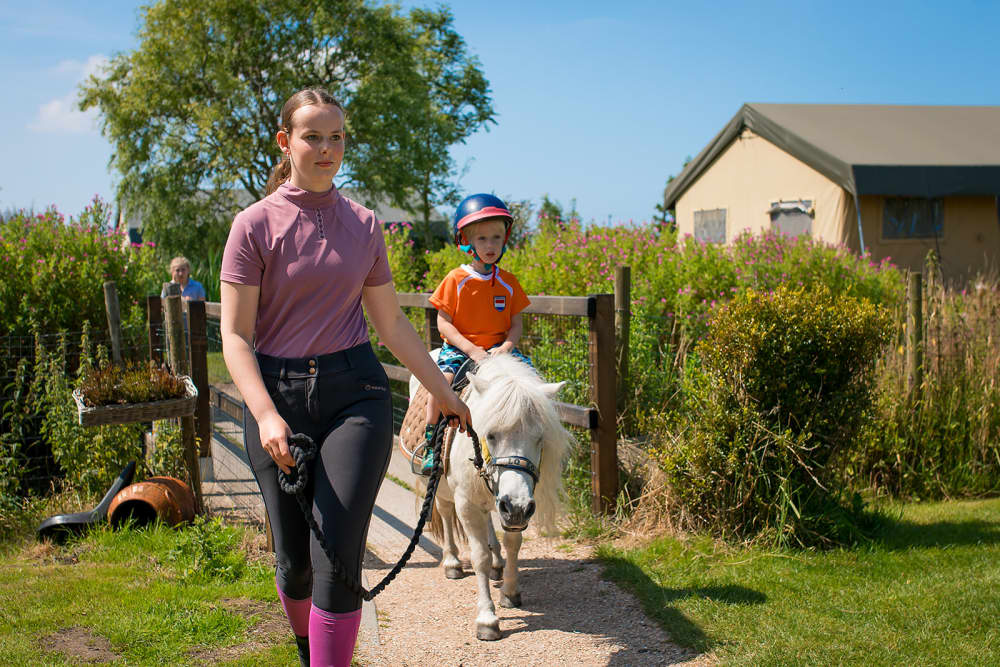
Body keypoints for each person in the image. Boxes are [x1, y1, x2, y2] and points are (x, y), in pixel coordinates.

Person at [219, 87, 470, 667]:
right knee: (294, 559)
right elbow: (234, 336)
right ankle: (307, 646)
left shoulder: (363, 224)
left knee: (336, 553)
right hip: (276, 394)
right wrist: (264, 415)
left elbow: (392, 325)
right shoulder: (253, 226)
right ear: (286, 143)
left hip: (354, 393)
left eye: (337, 137)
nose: (327, 148)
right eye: (313, 136)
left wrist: (443, 391)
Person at [418, 193, 532, 475]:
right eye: (482, 239)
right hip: (461, 348)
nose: (490, 245)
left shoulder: (509, 282)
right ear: (466, 241)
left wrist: (506, 346)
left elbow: (516, 324)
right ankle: (431, 441)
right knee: (439, 386)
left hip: (497, 349)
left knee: (531, 386)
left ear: (504, 239)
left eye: (496, 237)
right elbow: (443, 324)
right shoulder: (456, 280)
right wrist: (471, 350)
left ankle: (533, 444)